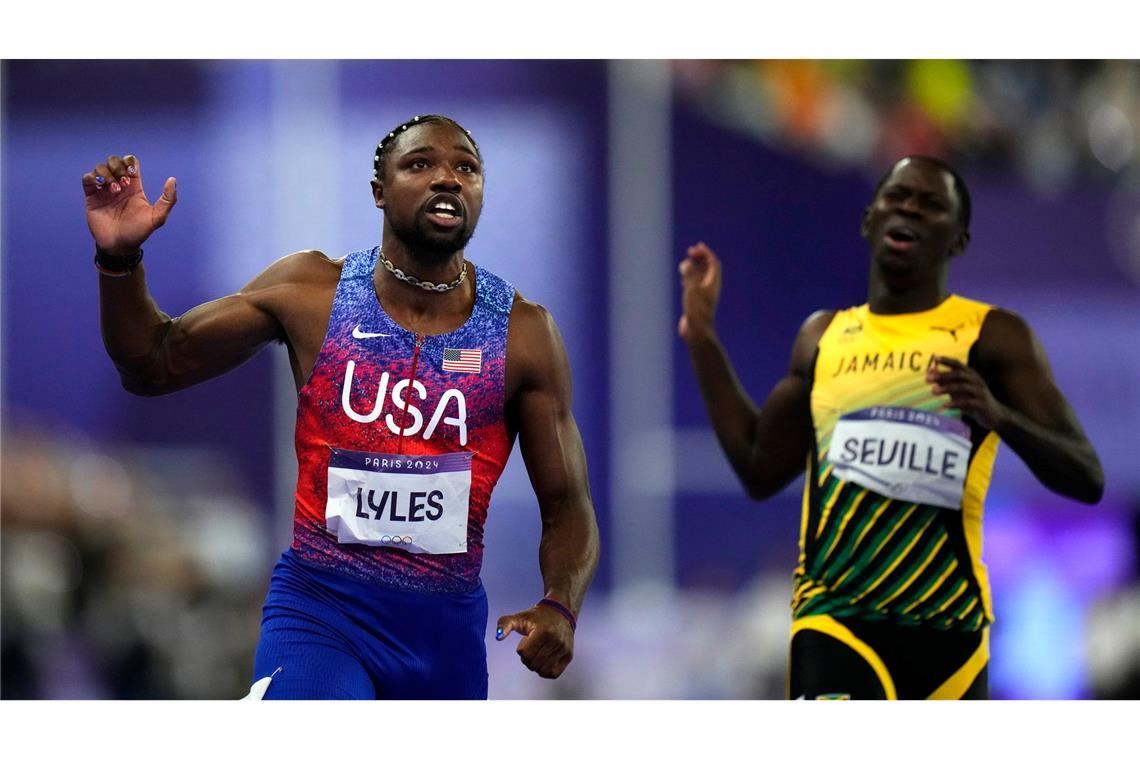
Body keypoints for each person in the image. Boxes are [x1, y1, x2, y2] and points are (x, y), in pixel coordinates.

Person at [84, 114, 600, 699]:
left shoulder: (524, 334)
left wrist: (562, 603)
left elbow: (567, 506)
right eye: (420, 164)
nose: (448, 178)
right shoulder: (311, 293)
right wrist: (120, 263)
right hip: (321, 610)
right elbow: (152, 365)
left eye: (466, 167)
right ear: (380, 191)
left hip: (444, 635)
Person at [678, 155, 1104, 700]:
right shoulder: (823, 337)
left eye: (931, 205)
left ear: (958, 240)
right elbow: (759, 467)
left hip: (948, 635)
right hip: (835, 621)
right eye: (897, 197)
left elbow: (1085, 476)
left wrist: (1001, 418)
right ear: (869, 218)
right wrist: (703, 338)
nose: (909, 209)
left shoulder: (993, 336)